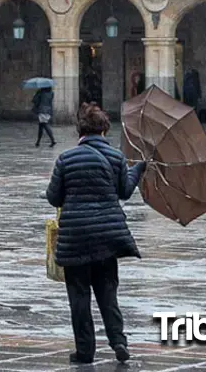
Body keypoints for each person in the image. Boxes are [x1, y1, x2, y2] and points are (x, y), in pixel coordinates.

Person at [46, 103, 147, 365]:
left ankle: (84, 351)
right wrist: (137, 170)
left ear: (80, 131)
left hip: (76, 239)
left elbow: (53, 197)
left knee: (79, 298)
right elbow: (125, 191)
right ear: (104, 130)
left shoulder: (66, 159)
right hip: (106, 239)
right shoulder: (116, 157)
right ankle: (118, 342)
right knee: (107, 294)